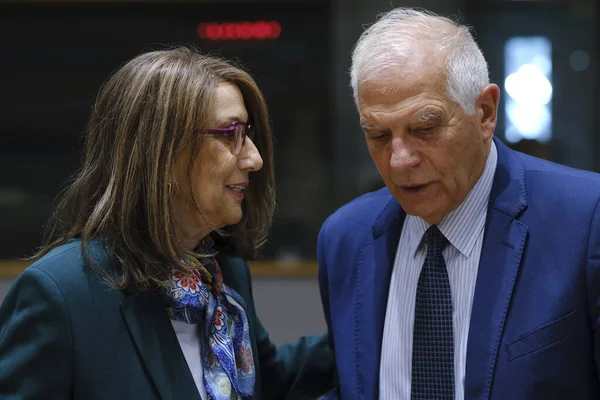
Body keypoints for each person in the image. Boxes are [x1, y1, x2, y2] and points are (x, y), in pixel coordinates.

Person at [0, 47, 334, 400]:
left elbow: (270, 378)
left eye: (248, 133)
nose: (255, 158)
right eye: (230, 133)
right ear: (160, 152)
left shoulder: (223, 274)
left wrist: (381, 317)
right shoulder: (61, 294)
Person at [318, 7, 600, 400]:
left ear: (484, 113)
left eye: (425, 128)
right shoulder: (345, 238)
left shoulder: (586, 219)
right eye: (378, 135)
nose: (399, 160)